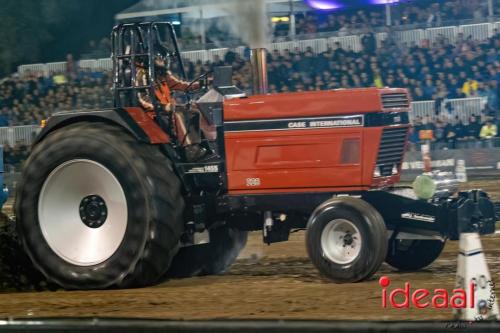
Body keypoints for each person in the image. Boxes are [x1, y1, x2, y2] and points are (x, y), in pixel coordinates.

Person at [136, 53, 207, 162]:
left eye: (163, 58)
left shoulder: (163, 74)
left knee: (194, 112)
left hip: (168, 109)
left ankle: (196, 145)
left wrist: (202, 83)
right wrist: (163, 107)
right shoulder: (143, 75)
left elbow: (182, 86)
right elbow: (143, 99)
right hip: (154, 112)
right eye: (159, 59)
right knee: (178, 115)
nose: (163, 61)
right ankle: (189, 150)